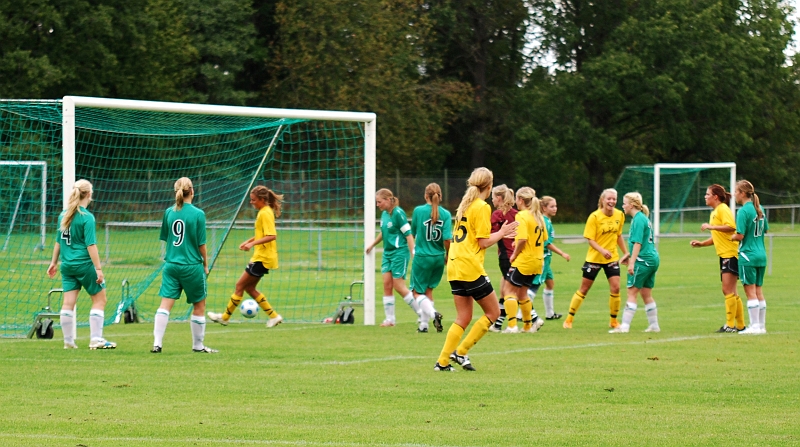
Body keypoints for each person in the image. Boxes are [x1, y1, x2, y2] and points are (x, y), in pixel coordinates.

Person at [434, 167, 517, 371]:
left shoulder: (466, 204)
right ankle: (460, 352)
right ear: (489, 186)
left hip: (455, 264)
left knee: (463, 317)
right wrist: (502, 233)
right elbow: (482, 242)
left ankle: (442, 362)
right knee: (494, 312)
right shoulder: (481, 206)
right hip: (469, 266)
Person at [47, 179, 116, 350]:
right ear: (89, 194)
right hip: (84, 265)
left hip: (67, 265)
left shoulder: (63, 215)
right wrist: (98, 269)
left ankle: (68, 341)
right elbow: (91, 245)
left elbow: (58, 242)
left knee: (68, 303)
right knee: (100, 299)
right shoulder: (87, 217)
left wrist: (53, 262)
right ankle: (96, 339)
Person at [152, 177, 216, 353]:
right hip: (191, 266)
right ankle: (198, 346)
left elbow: (167, 238)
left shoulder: (169, 212)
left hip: (171, 265)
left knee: (165, 305)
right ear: (192, 191)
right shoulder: (198, 214)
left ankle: (157, 343)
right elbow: (201, 244)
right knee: (199, 306)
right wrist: (205, 264)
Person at [208, 185, 284, 328]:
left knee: (239, 286)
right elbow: (262, 233)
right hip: (263, 257)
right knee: (249, 288)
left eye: (253, 200)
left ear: (262, 199)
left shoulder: (265, 213)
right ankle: (274, 316)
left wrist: (252, 244)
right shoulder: (264, 211)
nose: (251, 202)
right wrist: (248, 241)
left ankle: (224, 318)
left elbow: (272, 235)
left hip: (262, 258)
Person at [563, 188, 629, 329]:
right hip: (594, 259)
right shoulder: (594, 217)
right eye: (609, 199)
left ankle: (613, 321)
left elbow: (618, 235)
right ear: (603, 200)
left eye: (614, 199)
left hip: (612, 258)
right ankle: (569, 319)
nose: (612, 201)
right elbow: (590, 239)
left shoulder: (620, 215)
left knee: (616, 288)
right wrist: (602, 250)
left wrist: (626, 253)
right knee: (584, 289)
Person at [690, 184, 745, 332]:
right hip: (725, 254)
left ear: (715, 197)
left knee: (727, 289)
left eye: (708, 194)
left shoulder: (723, 209)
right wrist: (702, 244)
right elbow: (718, 237)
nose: (705, 197)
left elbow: (731, 227)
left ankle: (730, 325)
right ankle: (740, 326)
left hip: (730, 254)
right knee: (732, 291)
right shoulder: (715, 212)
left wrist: (711, 227)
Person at [365, 188, 419, 327]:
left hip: (399, 253)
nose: (377, 205)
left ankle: (422, 312)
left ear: (388, 200)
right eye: (376, 202)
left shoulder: (398, 213)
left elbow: (408, 235)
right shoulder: (384, 214)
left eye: (379, 202)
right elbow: (384, 232)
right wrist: (373, 244)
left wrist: (413, 253)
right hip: (387, 254)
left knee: (399, 286)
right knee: (387, 285)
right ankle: (390, 319)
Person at [611, 192, 660, 333]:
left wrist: (632, 262)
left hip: (643, 260)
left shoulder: (638, 219)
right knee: (646, 293)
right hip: (652, 259)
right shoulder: (642, 218)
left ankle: (624, 327)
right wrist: (628, 255)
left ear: (631, 205)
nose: (623, 206)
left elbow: (638, 243)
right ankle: (654, 325)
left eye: (624, 203)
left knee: (631, 292)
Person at [500, 187, 547, 334]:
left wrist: (514, 254)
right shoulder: (538, 216)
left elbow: (522, 239)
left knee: (508, 291)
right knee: (522, 293)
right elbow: (543, 238)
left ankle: (512, 326)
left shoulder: (522, 215)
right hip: (537, 261)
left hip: (524, 261)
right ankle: (527, 326)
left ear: (520, 200)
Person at [409, 183, 451, 333]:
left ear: (425, 195)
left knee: (416, 292)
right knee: (428, 291)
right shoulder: (446, 214)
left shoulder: (418, 211)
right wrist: (448, 255)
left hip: (422, 257)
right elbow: (447, 239)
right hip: (438, 257)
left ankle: (434, 314)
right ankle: (424, 326)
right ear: (440, 196)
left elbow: (413, 232)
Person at [731, 180, 769, 335]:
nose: (734, 194)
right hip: (761, 254)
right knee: (759, 291)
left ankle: (754, 326)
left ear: (742, 193)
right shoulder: (760, 208)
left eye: (736, 191)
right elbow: (765, 230)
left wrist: (731, 237)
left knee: (750, 292)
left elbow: (740, 235)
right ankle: (761, 326)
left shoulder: (743, 211)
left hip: (748, 255)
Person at [531, 196, 571, 320]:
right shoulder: (544, 221)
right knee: (534, 285)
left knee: (550, 284)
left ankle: (550, 313)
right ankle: (522, 313)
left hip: (547, 258)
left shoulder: (547, 221)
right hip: (542, 258)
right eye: (552, 206)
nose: (555, 209)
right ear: (544, 208)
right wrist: (562, 253)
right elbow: (546, 243)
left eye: (556, 206)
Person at [489, 184, 517, 332]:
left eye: (493, 197)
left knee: (509, 291)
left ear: (499, 198)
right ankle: (498, 324)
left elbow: (490, 234)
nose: (492, 200)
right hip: (517, 254)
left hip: (506, 257)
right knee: (504, 290)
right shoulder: (517, 213)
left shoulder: (498, 215)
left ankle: (531, 318)